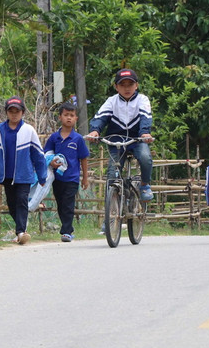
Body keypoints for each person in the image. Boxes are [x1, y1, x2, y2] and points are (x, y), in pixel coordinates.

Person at [0, 96, 47, 245]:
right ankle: (21, 229)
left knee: (21, 200)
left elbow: (38, 154)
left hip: (24, 174)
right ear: (6, 112)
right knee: (12, 203)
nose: (14, 114)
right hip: (6, 175)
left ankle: (21, 232)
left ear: (23, 113)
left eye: (17, 111)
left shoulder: (28, 131)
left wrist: (42, 175)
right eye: (11, 111)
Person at [89, 69, 154, 201]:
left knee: (145, 157)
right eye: (122, 85)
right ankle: (111, 216)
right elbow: (101, 117)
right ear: (116, 87)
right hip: (116, 141)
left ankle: (145, 185)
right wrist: (95, 130)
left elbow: (145, 117)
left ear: (136, 85)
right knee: (112, 175)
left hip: (137, 140)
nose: (126, 88)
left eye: (130, 84)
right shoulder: (112, 101)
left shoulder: (142, 100)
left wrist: (144, 133)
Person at [44, 101, 90, 242]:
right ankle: (68, 228)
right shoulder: (54, 137)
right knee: (60, 203)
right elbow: (46, 154)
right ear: (60, 117)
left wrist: (85, 178)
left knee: (69, 203)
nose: (68, 118)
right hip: (57, 178)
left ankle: (66, 231)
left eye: (72, 115)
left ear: (76, 118)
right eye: (66, 115)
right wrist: (51, 162)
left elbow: (83, 158)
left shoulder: (78, 139)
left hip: (72, 178)